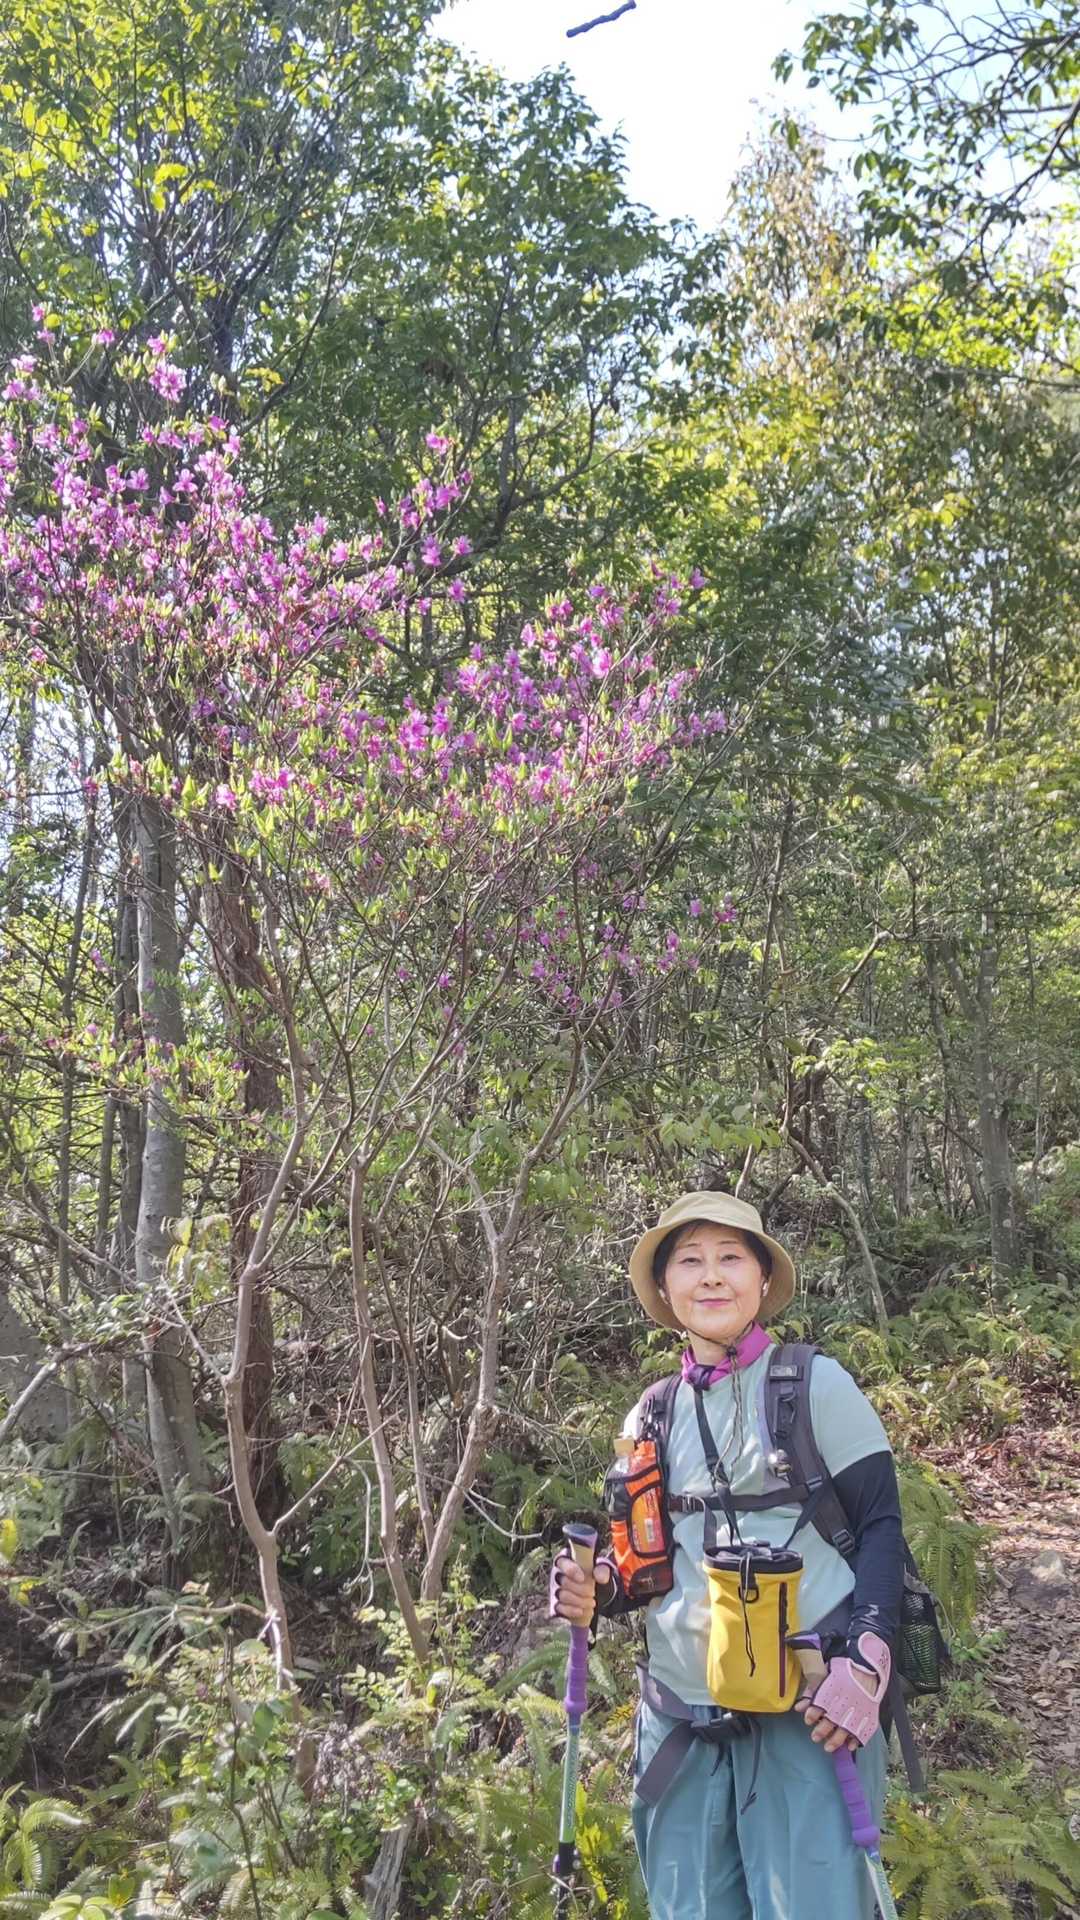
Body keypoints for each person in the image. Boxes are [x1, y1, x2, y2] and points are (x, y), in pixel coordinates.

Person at [551, 1191, 904, 1920]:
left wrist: (866, 1664)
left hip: (809, 1713)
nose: (711, 1276)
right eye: (690, 1261)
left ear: (763, 1278)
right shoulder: (652, 1412)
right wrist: (598, 1589)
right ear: (665, 1288)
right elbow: (641, 1565)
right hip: (681, 1718)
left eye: (730, 1258)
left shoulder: (816, 1385)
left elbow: (880, 1527)